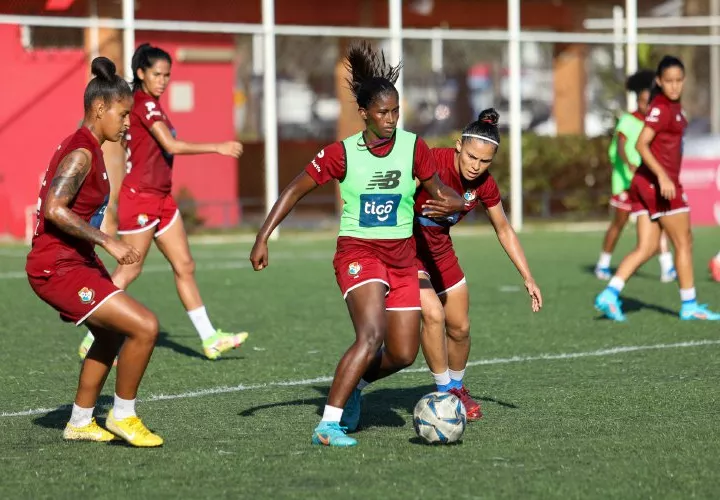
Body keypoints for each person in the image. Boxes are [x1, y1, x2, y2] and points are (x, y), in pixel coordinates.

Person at [249, 41, 466, 447]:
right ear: (364, 113)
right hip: (359, 252)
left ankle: (355, 388)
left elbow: (440, 193)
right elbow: (295, 190)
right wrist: (263, 236)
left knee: (402, 353)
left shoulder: (414, 147)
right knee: (370, 336)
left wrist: (454, 202)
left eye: (396, 111)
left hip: (403, 258)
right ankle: (327, 424)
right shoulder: (342, 153)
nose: (390, 119)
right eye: (382, 112)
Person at [78, 43, 248, 361]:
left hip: (161, 199)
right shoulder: (142, 103)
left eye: (167, 75)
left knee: (185, 265)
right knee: (130, 269)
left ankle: (210, 337)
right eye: (157, 73)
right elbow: (170, 143)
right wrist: (218, 147)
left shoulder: (152, 104)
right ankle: (93, 331)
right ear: (141, 73)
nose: (163, 80)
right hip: (140, 198)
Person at [26, 57, 163, 446]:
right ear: (99, 108)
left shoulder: (90, 148)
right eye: (122, 114)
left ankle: (81, 422)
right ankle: (124, 416)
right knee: (145, 326)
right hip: (57, 265)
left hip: (76, 260)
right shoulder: (82, 152)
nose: (126, 123)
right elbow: (54, 208)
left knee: (109, 336)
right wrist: (108, 241)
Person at [414, 109, 542, 421]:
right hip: (408, 248)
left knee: (460, 326)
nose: (476, 166)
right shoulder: (431, 160)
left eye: (485, 161)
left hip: (440, 250)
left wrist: (528, 277)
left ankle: (456, 387)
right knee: (432, 315)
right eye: (472, 157)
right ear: (459, 145)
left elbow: (504, 229)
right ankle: (444, 393)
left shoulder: (484, 184)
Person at [594, 56, 720, 321]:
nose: (674, 86)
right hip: (658, 184)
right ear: (659, 82)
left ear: (683, 80)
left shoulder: (671, 106)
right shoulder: (661, 108)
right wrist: (663, 177)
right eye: (668, 81)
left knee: (648, 247)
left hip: (645, 183)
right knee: (683, 241)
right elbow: (641, 144)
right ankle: (689, 305)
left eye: (678, 80)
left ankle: (610, 293)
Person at [595, 70, 676, 282]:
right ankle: (603, 263)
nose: (645, 106)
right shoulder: (628, 120)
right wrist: (629, 163)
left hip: (645, 182)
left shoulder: (653, 123)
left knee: (657, 220)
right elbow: (621, 146)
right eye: (642, 102)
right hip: (625, 181)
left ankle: (667, 266)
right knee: (619, 223)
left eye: (649, 102)